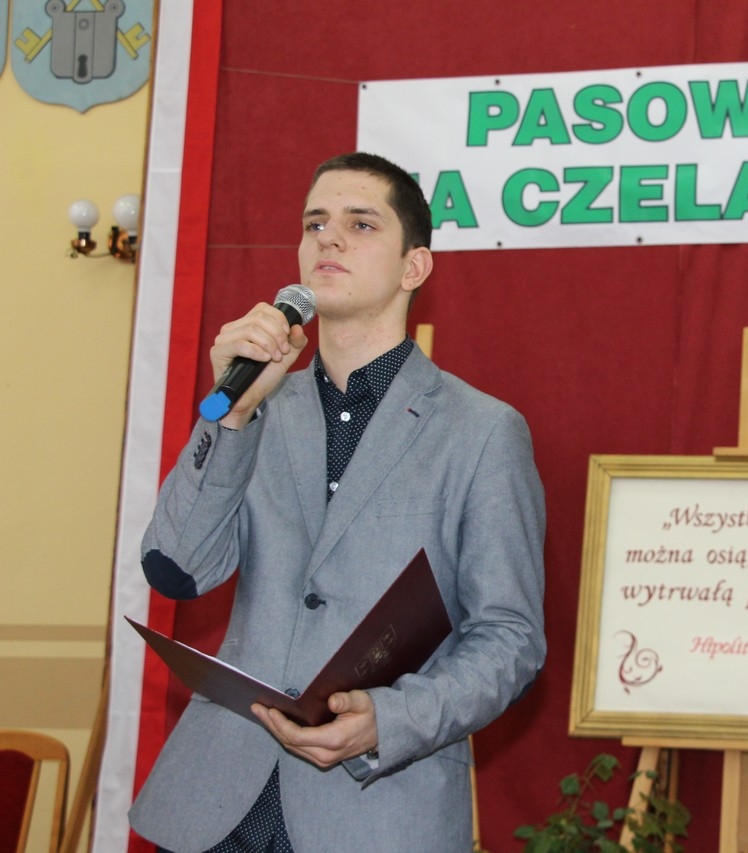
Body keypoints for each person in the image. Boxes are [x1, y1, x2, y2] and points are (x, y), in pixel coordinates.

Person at [129, 152, 546, 853]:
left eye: (361, 224)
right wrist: (229, 416)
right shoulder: (258, 406)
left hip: (377, 807)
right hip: (217, 801)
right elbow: (176, 567)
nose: (329, 238)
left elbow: (510, 638)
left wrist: (391, 718)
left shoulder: (481, 430)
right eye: (315, 223)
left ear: (414, 267)